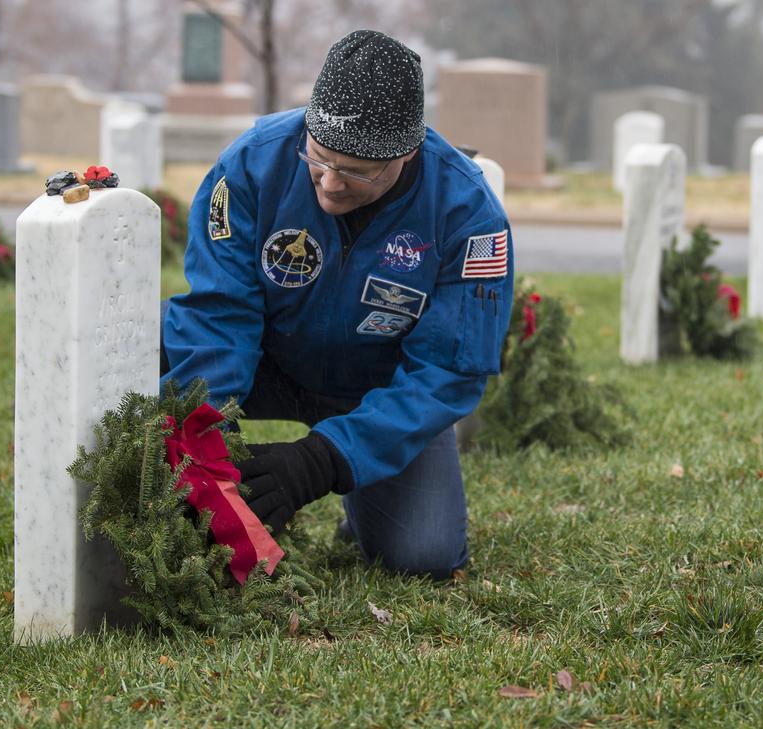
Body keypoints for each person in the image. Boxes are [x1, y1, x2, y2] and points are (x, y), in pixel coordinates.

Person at [161, 29, 514, 579]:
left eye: (355, 171)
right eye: (319, 157)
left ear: (407, 151)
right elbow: (218, 311)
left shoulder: (468, 216)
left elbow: (448, 370)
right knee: (153, 351)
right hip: (267, 365)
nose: (328, 183)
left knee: (423, 557)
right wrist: (208, 437)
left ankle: (367, 494)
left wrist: (323, 460)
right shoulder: (252, 166)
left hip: (374, 388)